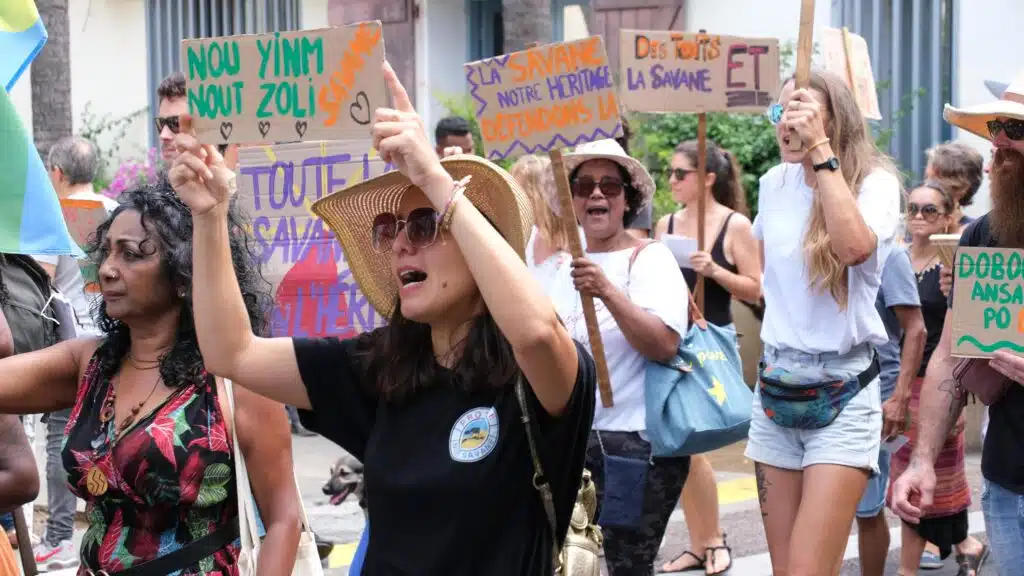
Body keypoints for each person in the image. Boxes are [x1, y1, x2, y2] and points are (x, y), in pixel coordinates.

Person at [171, 62, 596, 574]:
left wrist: (435, 178)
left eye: (423, 225)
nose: (398, 243)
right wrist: (210, 215)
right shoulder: (379, 367)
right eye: (390, 228)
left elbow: (535, 332)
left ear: (481, 246)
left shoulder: (536, 377)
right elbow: (230, 352)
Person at [0, 183, 302, 574]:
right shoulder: (89, 363)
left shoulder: (235, 381)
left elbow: (283, 520)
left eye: (130, 255)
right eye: (107, 251)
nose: (107, 269)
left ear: (183, 275)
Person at [750, 69, 902, 575]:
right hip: (775, 387)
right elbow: (772, 278)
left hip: (842, 391)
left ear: (834, 120)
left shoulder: (875, 184)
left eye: (803, 113)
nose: (787, 125)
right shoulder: (773, 183)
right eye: (781, 113)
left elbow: (855, 249)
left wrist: (821, 155)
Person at [892, 71, 1024, 576]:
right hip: (1009, 489)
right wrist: (923, 460)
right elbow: (950, 355)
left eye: (1014, 127)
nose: (997, 143)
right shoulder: (987, 236)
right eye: (995, 126)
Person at [552, 138, 689, 574]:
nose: (596, 193)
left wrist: (606, 290)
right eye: (585, 185)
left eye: (609, 185)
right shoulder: (562, 268)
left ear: (627, 198)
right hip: (575, 444)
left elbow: (663, 344)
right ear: (572, 197)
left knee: (627, 565)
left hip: (634, 446)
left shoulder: (650, 259)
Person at [654, 139, 761, 575]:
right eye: (671, 173)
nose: (672, 181)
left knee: (693, 444)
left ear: (709, 178)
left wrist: (713, 270)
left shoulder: (735, 225)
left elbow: (756, 288)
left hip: (711, 343)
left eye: (681, 173)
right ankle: (701, 542)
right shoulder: (665, 223)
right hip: (668, 342)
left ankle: (712, 540)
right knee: (677, 446)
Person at [887, 182, 987, 575]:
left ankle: (911, 568)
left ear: (948, 216)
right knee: (910, 473)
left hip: (939, 384)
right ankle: (964, 543)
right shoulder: (893, 258)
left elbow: (965, 329)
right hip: (898, 381)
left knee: (939, 478)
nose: (918, 216)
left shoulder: (954, 262)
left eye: (929, 210)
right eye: (912, 208)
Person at [29, 136, 118, 571]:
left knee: (60, 437)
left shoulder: (52, 215)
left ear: (58, 174)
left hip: (70, 344)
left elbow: (39, 279)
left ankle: (60, 537)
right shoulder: (115, 208)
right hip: (118, 337)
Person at [854, 245, 926, 576]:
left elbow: (916, 330)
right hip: (815, 393)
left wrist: (899, 398)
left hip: (872, 395)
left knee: (866, 509)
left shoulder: (889, 255)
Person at [924, 142, 985, 232]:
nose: (926, 186)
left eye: (934, 181)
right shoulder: (915, 225)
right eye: (926, 178)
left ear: (962, 188)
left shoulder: (975, 234)